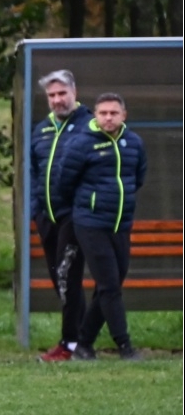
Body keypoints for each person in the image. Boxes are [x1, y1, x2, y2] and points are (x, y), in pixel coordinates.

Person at [52, 93, 148, 361]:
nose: (108, 118)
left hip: (120, 224)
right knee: (109, 286)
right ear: (95, 115)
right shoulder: (81, 144)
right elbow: (63, 182)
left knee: (111, 285)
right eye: (103, 113)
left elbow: (138, 178)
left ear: (123, 116)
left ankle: (84, 343)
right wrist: (88, 205)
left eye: (113, 113)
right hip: (90, 224)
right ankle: (125, 346)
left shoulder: (134, 143)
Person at [27, 70, 92, 362]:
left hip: (74, 216)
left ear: (74, 93)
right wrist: (35, 209)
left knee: (67, 277)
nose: (57, 100)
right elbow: (33, 172)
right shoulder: (42, 129)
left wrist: (83, 207)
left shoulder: (89, 126)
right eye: (51, 95)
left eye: (62, 93)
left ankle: (70, 344)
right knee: (60, 278)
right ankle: (83, 340)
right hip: (47, 216)